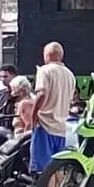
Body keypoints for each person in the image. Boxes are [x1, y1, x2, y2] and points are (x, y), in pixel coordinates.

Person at [30, 42, 76, 175]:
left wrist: (34, 114)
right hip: (61, 127)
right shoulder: (70, 75)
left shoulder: (44, 70)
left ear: (47, 55)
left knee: (45, 169)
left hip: (45, 124)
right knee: (58, 168)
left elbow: (42, 93)